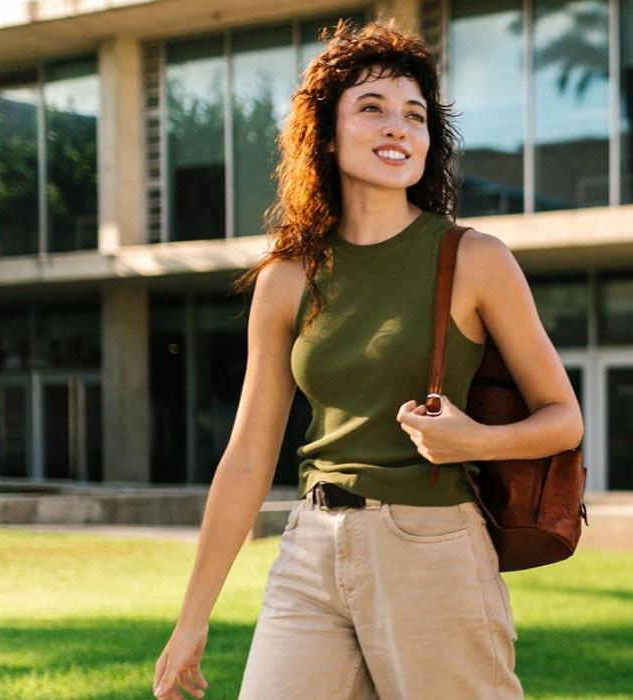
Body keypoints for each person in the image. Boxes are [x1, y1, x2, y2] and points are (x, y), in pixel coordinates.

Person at [151, 20, 581, 699]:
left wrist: (475, 440)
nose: (398, 128)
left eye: (415, 115)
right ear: (325, 133)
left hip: (433, 547)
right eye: (372, 108)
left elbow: (564, 419)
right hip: (311, 542)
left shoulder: (473, 259)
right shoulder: (288, 277)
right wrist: (191, 620)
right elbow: (247, 455)